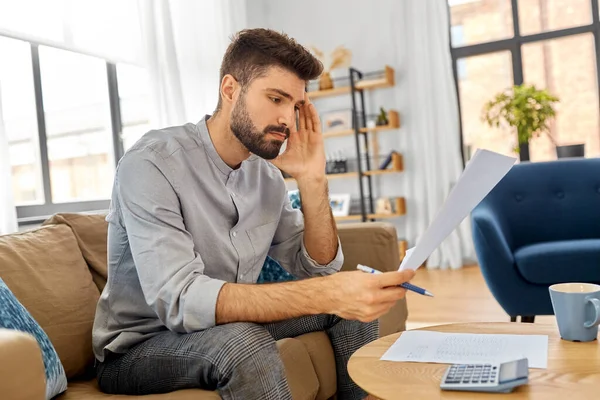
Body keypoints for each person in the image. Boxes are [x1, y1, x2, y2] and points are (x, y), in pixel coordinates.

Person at [92, 28, 415, 400]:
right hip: (140, 345)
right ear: (230, 90)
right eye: (275, 98)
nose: (288, 121)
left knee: (352, 310)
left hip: (225, 324)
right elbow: (180, 301)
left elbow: (318, 267)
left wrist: (312, 179)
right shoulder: (151, 164)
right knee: (243, 344)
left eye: (295, 106)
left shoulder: (265, 175)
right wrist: (323, 294)